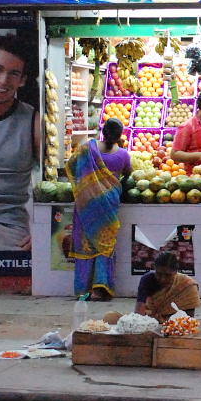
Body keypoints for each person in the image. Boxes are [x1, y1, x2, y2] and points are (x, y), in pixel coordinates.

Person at [0, 34, 41, 252]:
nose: (3, 80)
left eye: (13, 74)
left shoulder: (33, 121)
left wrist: (47, 228)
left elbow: (58, 180)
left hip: (10, 231)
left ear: (22, 80)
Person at [66, 118, 131, 301]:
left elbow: (70, 167)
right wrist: (114, 186)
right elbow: (128, 173)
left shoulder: (87, 149)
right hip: (109, 205)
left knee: (86, 245)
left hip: (86, 204)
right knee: (105, 245)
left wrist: (85, 184)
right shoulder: (123, 155)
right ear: (120, 136)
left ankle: (83, 290)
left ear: (102, 130)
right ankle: (100, 289)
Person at [135, 250, 201, 322]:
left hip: (175, 325)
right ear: (154, 268)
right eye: (159, 274)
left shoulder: (187, 285)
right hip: (149, 323)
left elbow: (188, 318)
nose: (162, 279)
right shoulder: (147, 279)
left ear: (176, 272)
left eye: (168, 275)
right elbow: (139, 312)